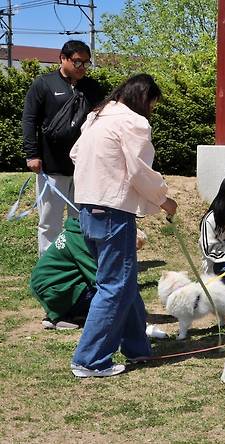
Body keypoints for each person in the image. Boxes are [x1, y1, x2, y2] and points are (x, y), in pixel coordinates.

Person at [68, 74, 177, 378]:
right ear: (144, 99)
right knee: (114, 287)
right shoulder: (133, 122)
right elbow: (140, 171)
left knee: (123, 283)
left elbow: (75, 154)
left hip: (87, 208)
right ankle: (89, 360)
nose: (152, 111)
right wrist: (164, 200)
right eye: (152, 104)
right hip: (113, 213)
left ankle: (137, 348)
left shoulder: (97, 116)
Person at [22, 40, 104, 256]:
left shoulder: (92, 88)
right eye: (78, 62)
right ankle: (49, 264)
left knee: (81, 219)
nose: (83, 68)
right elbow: (29, 120)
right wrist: (32, 155)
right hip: (52, 165)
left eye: (86, 63)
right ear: (63, 58)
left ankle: (78, 261)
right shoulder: (44, 84)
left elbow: (103, 122)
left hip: (85, 167)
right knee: (50, 220)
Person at [30, 217, 167, 338]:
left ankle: (67, 313)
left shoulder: (84, 232)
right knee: (110, 294)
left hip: (56, 286)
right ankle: (61, 314)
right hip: (55, 291)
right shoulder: (82, 243)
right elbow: (101, 280)